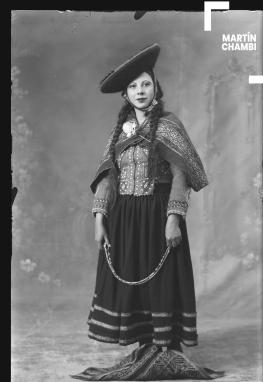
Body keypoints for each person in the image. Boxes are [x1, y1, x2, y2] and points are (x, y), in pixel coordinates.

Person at [87, 43, 209, 353]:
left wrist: (173, 219)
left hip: (158, 215)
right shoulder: (120, 133)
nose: (140, 91)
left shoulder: (169, 126)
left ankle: (163, 346)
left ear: (155, 87)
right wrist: (100, 218)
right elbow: (107, 178)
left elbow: (181, 178)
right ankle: (142, 343)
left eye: (145, 84)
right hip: (124, 219)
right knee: (131, 278)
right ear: (125, 94)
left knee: (161, 282)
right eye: (133, 86)